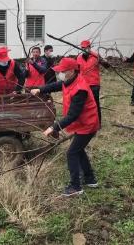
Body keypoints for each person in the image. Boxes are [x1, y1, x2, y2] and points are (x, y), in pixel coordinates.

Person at [31, 58, 99, 197]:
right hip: (83, 123)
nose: (60, 73)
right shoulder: (70, 80)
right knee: (78, 151)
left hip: (88, 124)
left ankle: (75, 186)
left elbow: (73, 115)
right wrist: (40, 89)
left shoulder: (80, 89)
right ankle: (90, 179)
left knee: (72, 153)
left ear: (72, 71)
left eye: (62, 71)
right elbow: (56, 85)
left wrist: (54, 127)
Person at [76, 40, 108, 125]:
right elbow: (77, 71)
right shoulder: (79, 58)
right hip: (83, 84)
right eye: (82, 48)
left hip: (94, 84)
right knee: (83, 104)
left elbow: (106, 66)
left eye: (86, 47)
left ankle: (98, 123)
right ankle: (86, 121)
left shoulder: (95, 56)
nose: (84, 49)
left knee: (95, 104)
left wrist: (105, 62)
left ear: (89, 47)